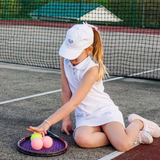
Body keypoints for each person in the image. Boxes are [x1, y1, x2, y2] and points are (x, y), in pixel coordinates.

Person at [27, 22, 160, 152]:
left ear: (89, 50)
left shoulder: (92, 70)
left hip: (104, 111)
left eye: (74, 55)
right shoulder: (64, 59)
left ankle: (137, 123)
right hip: (85, 116)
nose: (70, 58)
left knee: (123, 145)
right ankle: (120, 135)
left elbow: (74, 102)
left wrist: (47, 123)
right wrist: (66, 120)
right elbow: (66, 90)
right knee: (81, 140)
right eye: (69, 52)